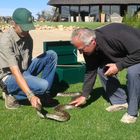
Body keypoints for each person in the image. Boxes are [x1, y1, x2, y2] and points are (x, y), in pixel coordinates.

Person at [70, 23, 140, 124]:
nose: (80, 52)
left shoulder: (114, 35)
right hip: (127, 53)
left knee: (133, 72)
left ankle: (132, 113)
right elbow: (91, 70)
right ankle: (120, 102)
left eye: (81, 49)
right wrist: (84, 95)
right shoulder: (88, 49)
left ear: (92, 42)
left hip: (137, 52)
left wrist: (118, 66)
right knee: (103, 69)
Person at [0, 8, 57, 110]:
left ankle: (44, 94)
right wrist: (30, 95)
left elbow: (28, 63)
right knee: (43, 85)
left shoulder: (28, 38)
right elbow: (15, 71)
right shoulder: (5, 41)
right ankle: (10, 93)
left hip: (24, 71)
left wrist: (31, 77)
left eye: (28, 28)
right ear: (14, 24)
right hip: (9, 77)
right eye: (23, 28)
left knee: (51, 55)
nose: (26, 31)